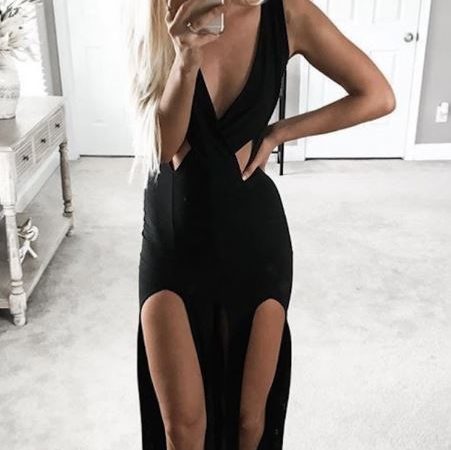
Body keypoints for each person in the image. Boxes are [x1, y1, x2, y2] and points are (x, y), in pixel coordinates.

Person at [127, 0, 396, 449]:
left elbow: (377, 95)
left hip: (254, 237)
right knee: (182, 427)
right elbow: (164, 147)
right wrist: (186, 60)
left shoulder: (288, 14)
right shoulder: (161, 12)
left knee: (250, 422)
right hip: (174, 236)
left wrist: (279, 131)